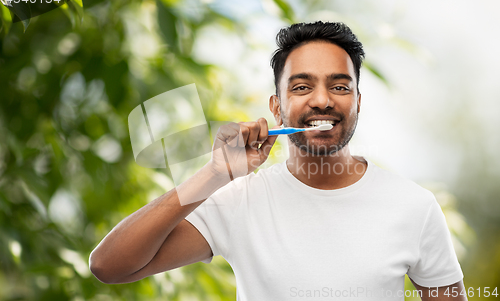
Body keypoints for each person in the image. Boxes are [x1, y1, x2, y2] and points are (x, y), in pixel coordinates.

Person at [89, 21, 467, 300]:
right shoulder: (240, 200)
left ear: (357, 102)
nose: (322, 100)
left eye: (339, 86)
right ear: (277, 108)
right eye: (302, 87)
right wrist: (214, 175)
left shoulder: (413, 207)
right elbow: (110, 266)